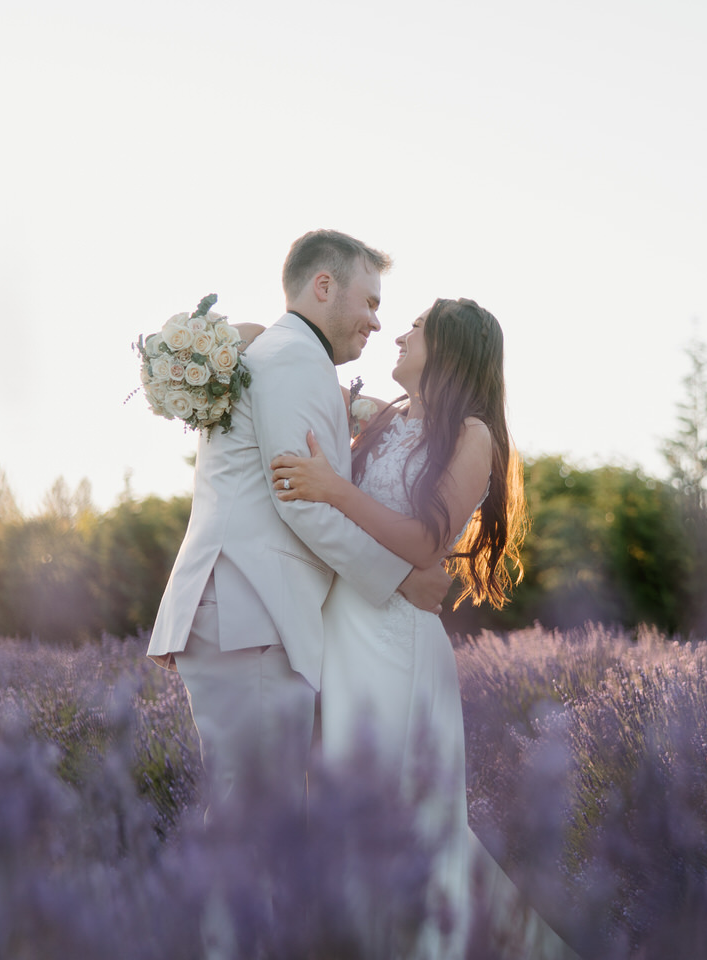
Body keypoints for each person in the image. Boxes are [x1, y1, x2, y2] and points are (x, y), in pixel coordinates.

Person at [270, 297, 574, 959]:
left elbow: (423, 541)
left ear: (450, 350)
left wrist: (334, 489)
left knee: (404, 816)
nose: (400, 333)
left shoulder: (472, 435)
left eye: (417, 328)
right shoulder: (383, 417)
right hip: (342, 628)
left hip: (394, 643)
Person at [146, 230, 452, 821]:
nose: (374, 322)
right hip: (251, 608)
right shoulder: (293, 357)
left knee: (252, 817)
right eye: (369, 302)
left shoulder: (286, 354)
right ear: (323, 286)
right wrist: (398, 579)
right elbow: (301, 500)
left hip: (248, 609)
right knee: (256, 822)